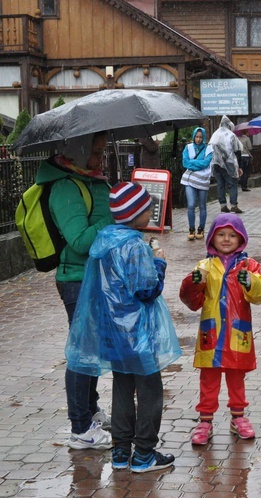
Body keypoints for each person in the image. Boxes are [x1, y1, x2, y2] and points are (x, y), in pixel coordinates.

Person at [65, 182, 180, 472]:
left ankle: (120, 452)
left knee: (122, 388)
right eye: (148, 208)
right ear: (136, 213)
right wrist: (159, 263)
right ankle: (144, 453)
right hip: (137, 335)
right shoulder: (133, 245)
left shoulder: (104, 241)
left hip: (113, 335)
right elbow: (146, 291)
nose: (153, 211)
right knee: (150, 390)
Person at [37, 131, 114, 450]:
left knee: (92, 350)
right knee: (82, 353)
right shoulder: (66, 187)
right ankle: (80, 428)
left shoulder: (91, 179)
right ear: (78, 151)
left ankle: (91, 410)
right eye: (95, 150)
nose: (101, 156)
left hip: (93, 277)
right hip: (77, 279)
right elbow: (81, 241)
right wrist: (113, 218)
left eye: (102, 149)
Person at [179, 214, 261, 445]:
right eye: (221, 234)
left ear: (241, 239)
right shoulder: (204, 266)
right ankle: (205, 420)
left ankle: (238, 417)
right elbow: (192, 301)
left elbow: (260, 294)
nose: (227, 239)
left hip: (237, 332)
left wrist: (250, 281)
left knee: (236, 376)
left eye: (232, 235)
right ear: (212, 237)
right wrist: (193, 282)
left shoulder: (249, 266)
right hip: (212, 332)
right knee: (208, 378)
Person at [181, 127, 213, 241]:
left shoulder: (209, 149)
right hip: (189, 180)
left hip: (203, 180)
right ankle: (191, 228)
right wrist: (197, 163)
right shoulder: (188, 147)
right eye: (196, 137)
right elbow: (185, 162)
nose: (198, 139)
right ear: (194, 137)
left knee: (202, 206)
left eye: (200, 137)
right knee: (191, 205)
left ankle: (201, 228)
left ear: (203, 137)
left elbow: (206, 163)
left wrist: (193, 162)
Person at [209, 116, 243, 214]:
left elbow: (210, 149)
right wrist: (239, 166)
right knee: (232, 184)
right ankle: (233, 205)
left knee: (220, 184)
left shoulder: (215, 134)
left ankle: (223, 205)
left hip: (216, 164)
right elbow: (237, 151)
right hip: (229, 163)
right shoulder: (231, 135)